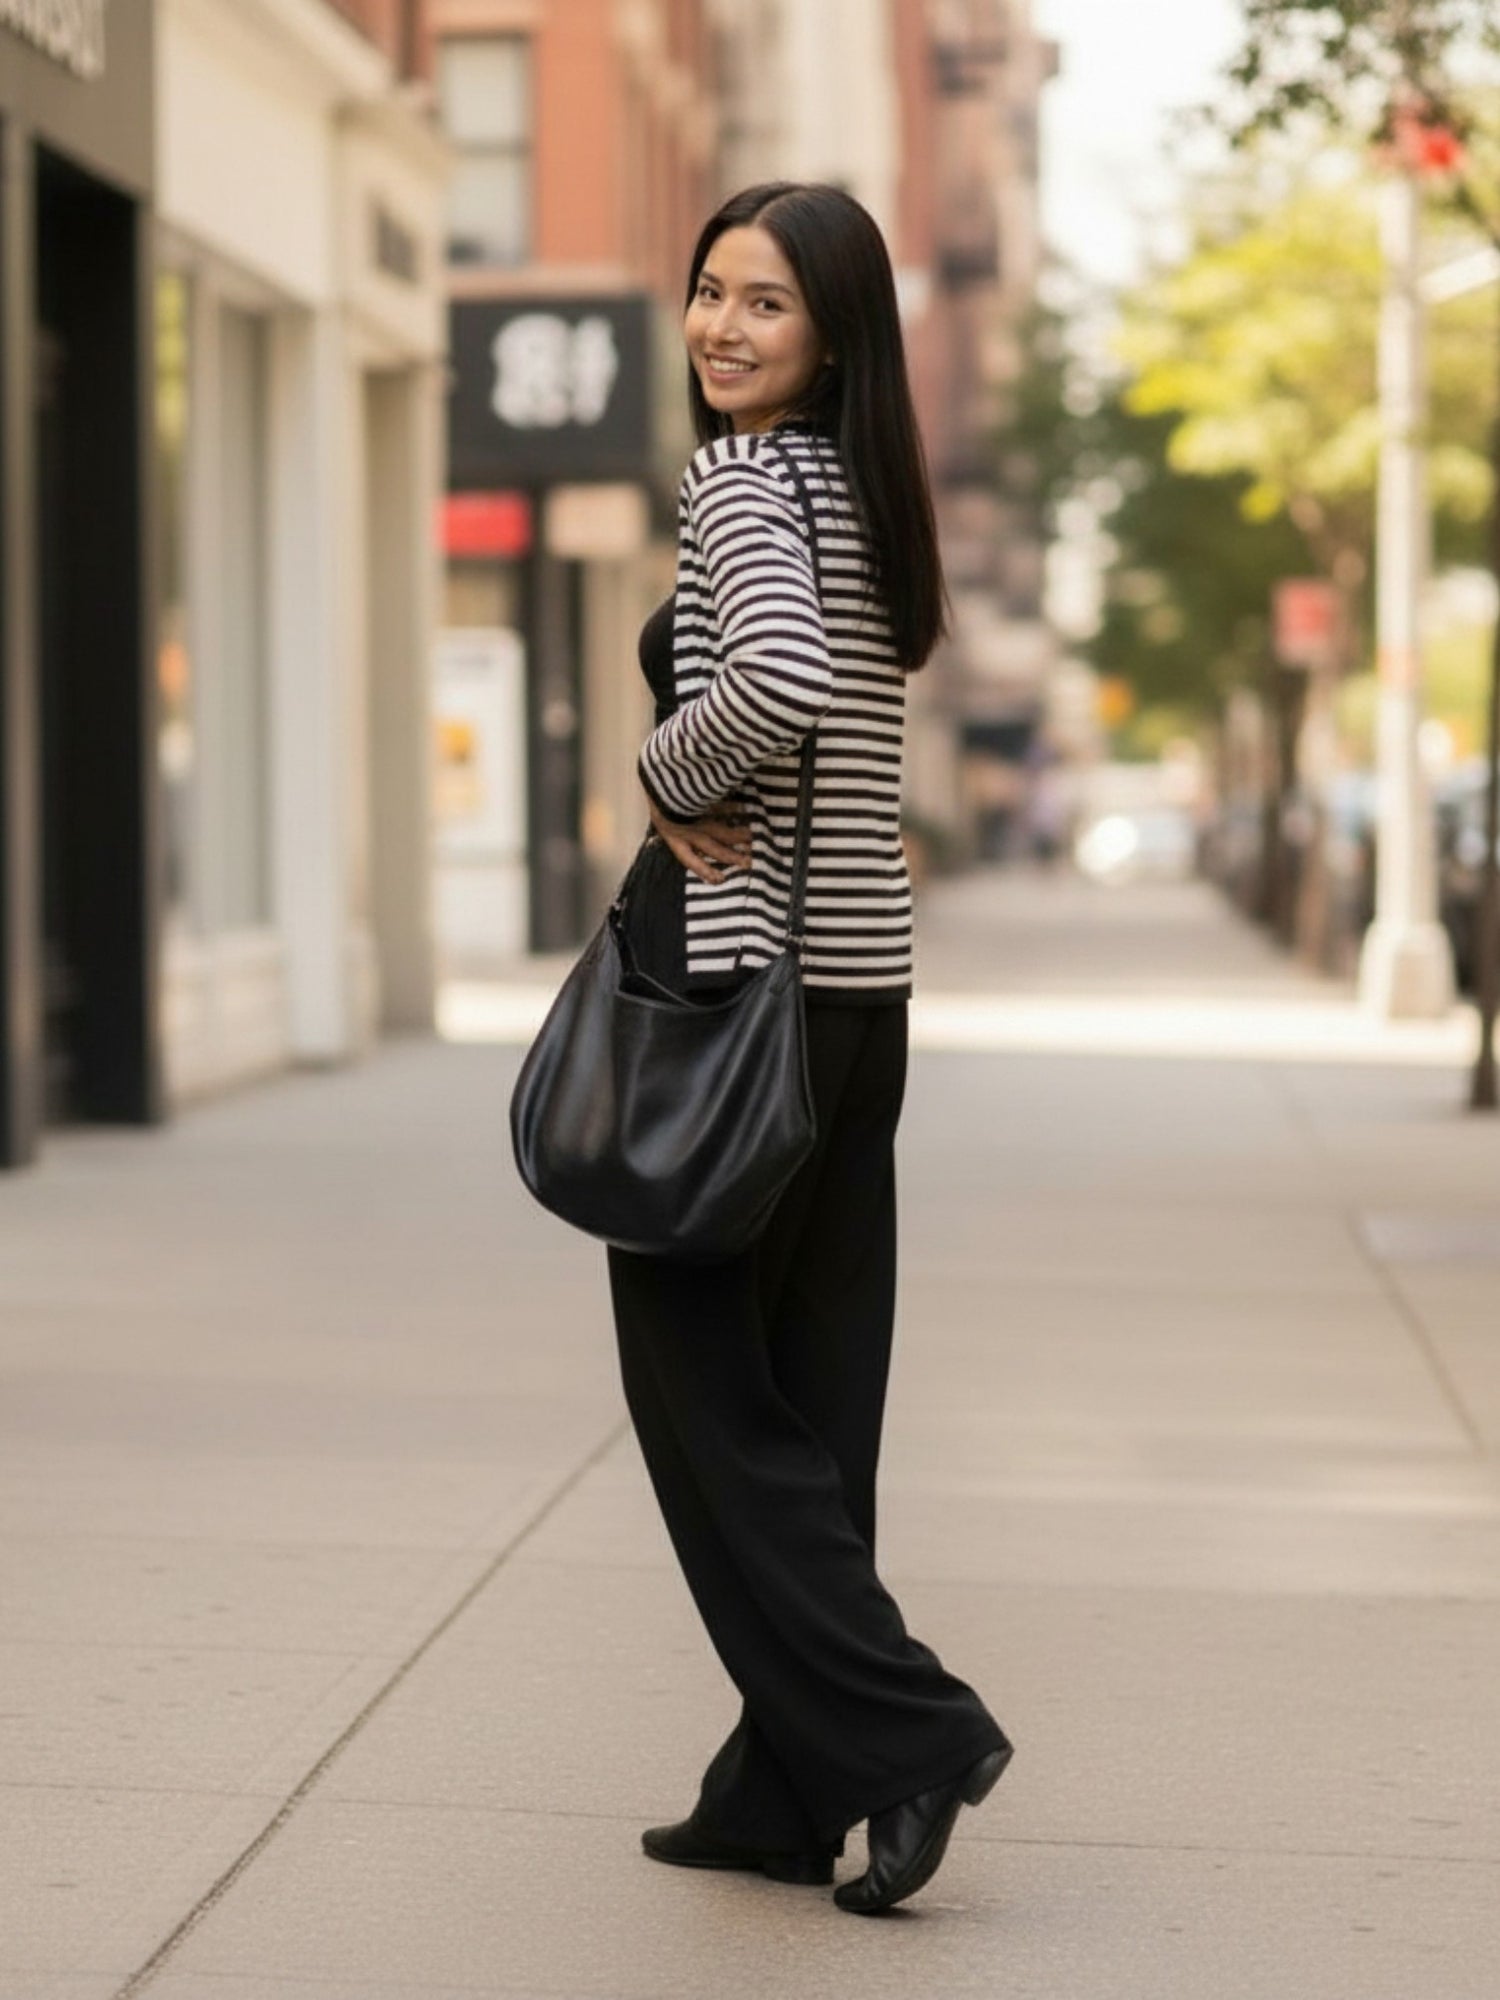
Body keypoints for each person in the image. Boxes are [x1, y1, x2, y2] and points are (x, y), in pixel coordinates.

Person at [611, 181, 1012, 1918]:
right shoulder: (864, 494)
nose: (721, 327)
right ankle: (776, 1794)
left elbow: (769, 679)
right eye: (710, 290)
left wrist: (663, 772)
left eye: (765, 303)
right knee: (816, 1394)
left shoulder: (746, 480)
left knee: (705, 1394)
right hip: (856, 1001)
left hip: (737, 999)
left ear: (834, 336)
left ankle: (910, 1734)